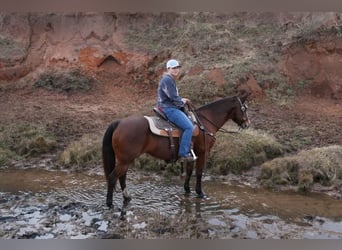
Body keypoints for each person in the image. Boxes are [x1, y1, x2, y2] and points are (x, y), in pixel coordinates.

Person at [157, 59, 195, 162]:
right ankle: (183, 153)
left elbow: (172, 96)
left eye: (177, 68)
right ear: (168, 69)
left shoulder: (168, 79)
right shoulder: (168, 80)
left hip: (167, 105)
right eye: (173, 68)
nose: (176, 70)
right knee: (189, 127)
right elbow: (173, 98)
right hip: (169, 108)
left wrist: (182, 99)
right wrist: (182, 102)